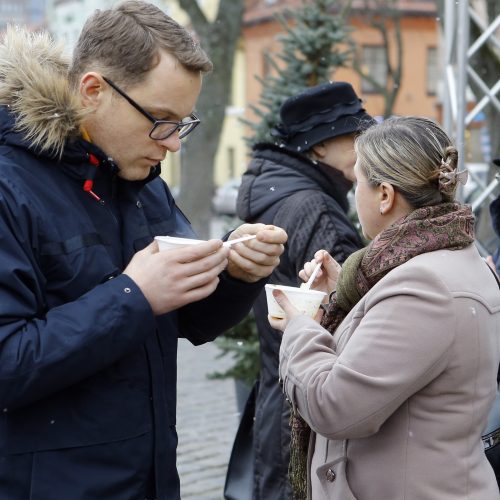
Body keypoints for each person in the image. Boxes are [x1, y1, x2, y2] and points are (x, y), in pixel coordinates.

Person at [0, 3, 287, 499]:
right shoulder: (10, 184)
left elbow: (187, 320)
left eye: (183, 123)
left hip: (148, 478)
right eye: (160, 119)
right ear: (93, 90)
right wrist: (134, 295)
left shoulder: (140, 178)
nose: (173, 143)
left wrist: (236, 273)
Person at [271, 116, 500, 499]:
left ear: (385, 195)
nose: (352, 194)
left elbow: (335, 405)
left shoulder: (423, 286)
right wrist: (339, 298)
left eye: (358, 182)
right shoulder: (440, 259)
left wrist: (299, 327)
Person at [235, 82, 374, 499]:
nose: (364, 146)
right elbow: (349, 314)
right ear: (317, 148)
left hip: (282, 389)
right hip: (305, 402)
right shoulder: (313, 206)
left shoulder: (283, 192)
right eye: (354, 137)